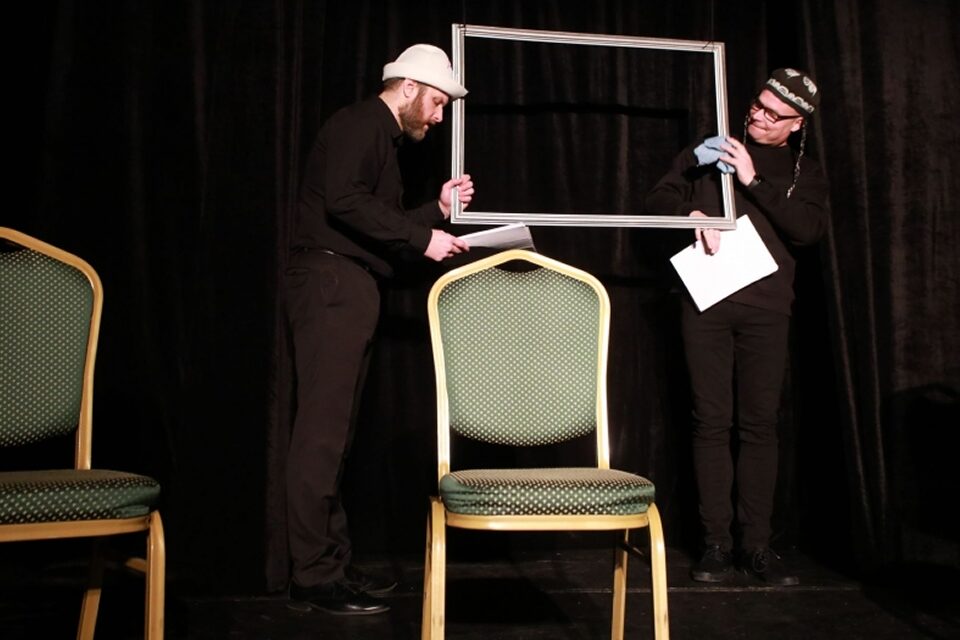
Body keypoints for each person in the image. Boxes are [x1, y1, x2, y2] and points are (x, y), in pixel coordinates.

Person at [283, 44, 474, 615]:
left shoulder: (380, 139)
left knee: (337, 433)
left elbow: (375, 219)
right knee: (321, 433)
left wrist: (434, 211)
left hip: (350, 284)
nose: (437, 117)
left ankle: (330, 563)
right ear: (409, 87)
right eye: (436, 103)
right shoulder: (361, 123)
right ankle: (313, 575)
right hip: (331, 282)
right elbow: (344, 201)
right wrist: (422, 238)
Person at [645, 68, 828, 586]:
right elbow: (656, 198)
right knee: (710, 421)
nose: (759, 116)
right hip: (706, 301)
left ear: (796, 124)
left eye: (774, 114)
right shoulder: (713, 149)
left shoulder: (804, 171)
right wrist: (690, 215)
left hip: (766, 308)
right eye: (758, 104)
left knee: (759, 425)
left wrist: (752, 179)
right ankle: (716, 545)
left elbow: (807, 230)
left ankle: (757, 546)